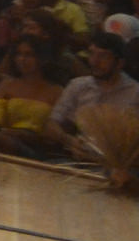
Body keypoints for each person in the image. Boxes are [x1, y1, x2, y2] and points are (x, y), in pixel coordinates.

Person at [47, 31, 139, 161]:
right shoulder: (78, 85)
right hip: (76, 158)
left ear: (120, 63)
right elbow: (51, 124)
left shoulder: (135, 93)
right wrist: (69, 141)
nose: (94, 62)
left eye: (103, 56)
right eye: (91, 54)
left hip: (117, 165)